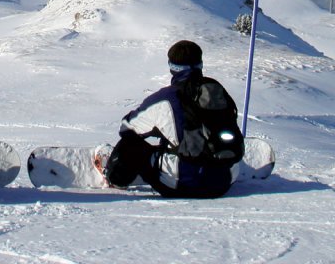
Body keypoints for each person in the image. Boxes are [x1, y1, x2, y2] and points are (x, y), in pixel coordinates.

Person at [102, 40, 244, 198]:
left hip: (182, 184)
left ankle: (115, 179)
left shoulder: (167, 98)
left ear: (172, 67)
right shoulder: (216, 91)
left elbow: (128, 128)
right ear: (200, 63)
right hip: (223, 184)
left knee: (131, 145)